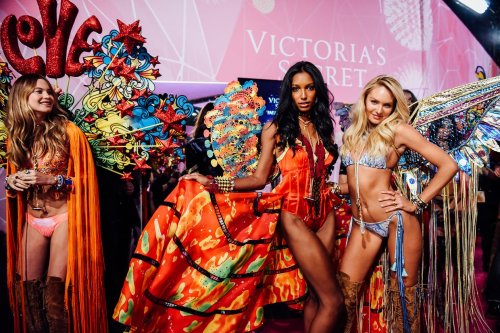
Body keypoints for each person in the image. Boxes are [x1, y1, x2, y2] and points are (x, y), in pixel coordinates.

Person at [184, 60, 344, 332]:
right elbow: (259, 179)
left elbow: (322, 173)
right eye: (296, 89)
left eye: (309, 88)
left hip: (325, 214)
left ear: (318, 90)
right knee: (334, 300)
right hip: (293, 216)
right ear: (288, 93)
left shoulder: (323, 127)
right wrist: (215, 182)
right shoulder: (276, 129)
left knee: (316, 294)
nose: (303, 95)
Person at [337, 75, 458, 332]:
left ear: (394, 108)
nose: (379, 110)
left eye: (387, 105)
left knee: (402, 300)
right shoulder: (352, 132)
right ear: (364, 99)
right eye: (374, 102)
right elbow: (355, 182)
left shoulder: (398, 130)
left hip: (396, 222)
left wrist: (417, 203)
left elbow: (448, 165)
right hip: (362, 226)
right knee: (344, 296)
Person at [4, 74, 107, 332]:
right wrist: (12, 184)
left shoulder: (68, 132)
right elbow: (12, 180)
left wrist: (51, 179)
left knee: (56, 293)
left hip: (64, 217)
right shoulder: (17, 138)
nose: (46, 96)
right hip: (33, 219)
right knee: (26, 292)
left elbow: (86, 181)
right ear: (21, 97)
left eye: (49, 91)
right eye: (38, 91)